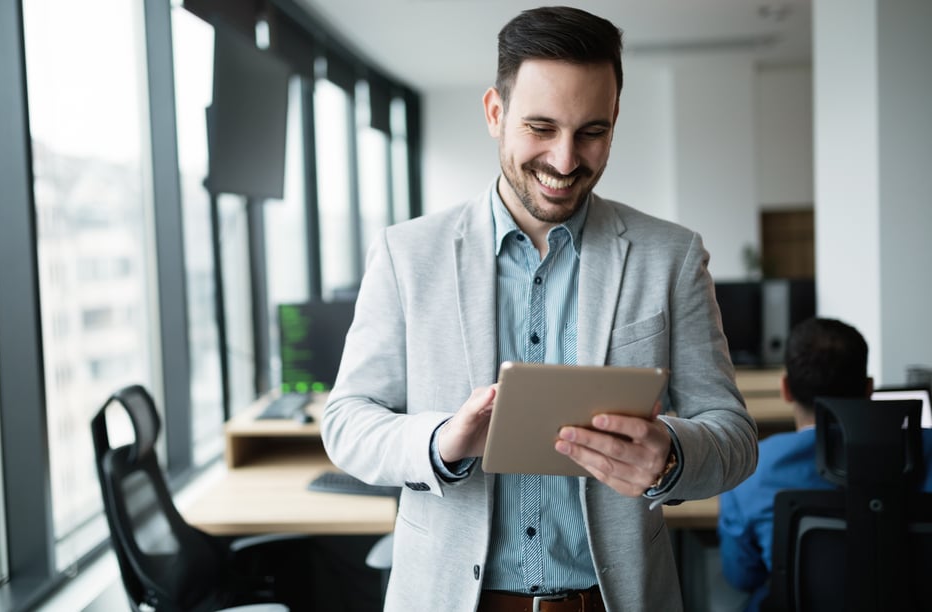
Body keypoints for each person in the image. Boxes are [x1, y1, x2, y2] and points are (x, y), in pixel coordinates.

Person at [322, 6, 758, 611]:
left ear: (614, 122)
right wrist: (442, 442)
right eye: (541, 127)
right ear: (495, 114)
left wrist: (670, 454)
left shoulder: (671, 256)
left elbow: (735, 436)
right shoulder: (407, 254)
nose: (564, 160)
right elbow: (346, 422)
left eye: (592, 132)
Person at [717, 317, 932, 611]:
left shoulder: (749, 467)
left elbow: (742, 576)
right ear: (869, 388)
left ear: (785, 389)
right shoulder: (926, 450)